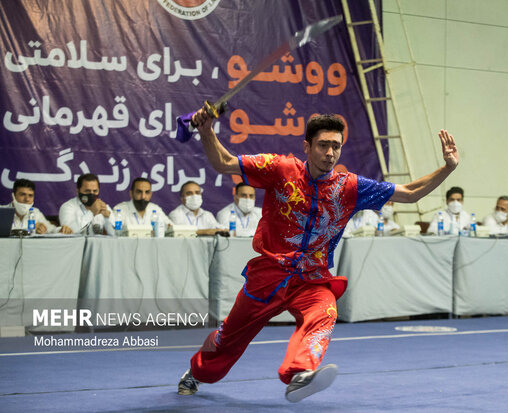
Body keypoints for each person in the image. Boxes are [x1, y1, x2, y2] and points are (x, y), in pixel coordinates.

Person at [177, 110, 459, 402]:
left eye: (336, 146)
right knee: (228, 338)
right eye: (323, 145)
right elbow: (223, 162)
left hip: (311, 280)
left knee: (325, 312)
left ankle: (300, 374)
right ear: (307, 147)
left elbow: (410, 193)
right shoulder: (280, 169)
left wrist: (447, 168)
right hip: (269, 275)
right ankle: (197, 373)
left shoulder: (349, 186)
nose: (330, 153)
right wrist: (207, 129)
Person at [4, 178, 72, 234]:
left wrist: (61, 229)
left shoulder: (35, 212)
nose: (27, 199)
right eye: (22, 194)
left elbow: (51, 229)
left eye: (30, 195)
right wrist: (32, 230)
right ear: (13, 196)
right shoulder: (2, 211)